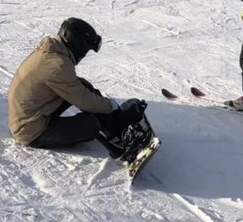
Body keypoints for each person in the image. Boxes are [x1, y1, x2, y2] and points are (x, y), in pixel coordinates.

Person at [8, 18, 150, 160]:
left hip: (34, 114)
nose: (83, 55)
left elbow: (79, 91)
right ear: (78, 45)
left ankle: (116, 125)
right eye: (86, 50)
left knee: (82, 86)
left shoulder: (52, 52)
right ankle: (118, 140)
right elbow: (83, 100)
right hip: (31, 131)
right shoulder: (57, 65)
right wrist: (111, 106)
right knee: (90, 125)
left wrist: (111, 111)